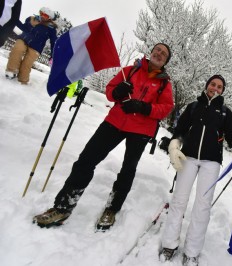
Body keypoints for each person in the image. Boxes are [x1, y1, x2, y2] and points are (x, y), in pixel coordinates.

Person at [33, 43, 174, 231]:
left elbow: (166, 108)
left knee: (127, 170)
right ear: (152, 52)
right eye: (157, 50)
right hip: (115, 122)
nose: (159, 54)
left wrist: (144, 108)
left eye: (163, 54)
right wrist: (117, 92)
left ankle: (112, 209)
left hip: (141, 130)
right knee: (86, 160)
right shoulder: (130, 70)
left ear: (165, 61)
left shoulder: (164, 83)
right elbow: (110, 91)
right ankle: (63, 207)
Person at [160, 75, 232, 266]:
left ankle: (192, 252)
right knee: (179, 200)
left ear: (223, 91)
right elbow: (180, 128)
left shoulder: (225, 112)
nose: (216, 88)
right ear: (206, 86)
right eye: (213, 84)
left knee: (202, 206)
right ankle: (169, 244)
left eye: (220, 86)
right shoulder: (193, 106)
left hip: (211, 162)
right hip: (188, 157)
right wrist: (174, 144)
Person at [5, 7, 57, 84]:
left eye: (45, 16)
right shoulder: (32, 19)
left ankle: (23, 80)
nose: (42, 16)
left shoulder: (51, 28)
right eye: (42, 13)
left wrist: (52, 55)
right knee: (17, 50)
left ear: (49, 18)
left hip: (36, 47)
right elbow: (24, 28)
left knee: (27, 63)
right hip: (24, 39)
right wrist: (14, 19)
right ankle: (11, 71)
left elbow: (53, 42)